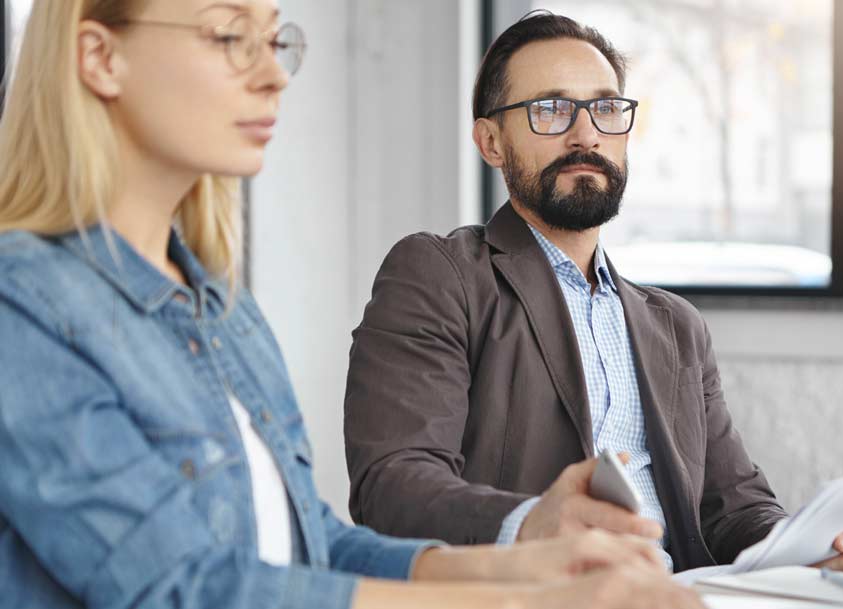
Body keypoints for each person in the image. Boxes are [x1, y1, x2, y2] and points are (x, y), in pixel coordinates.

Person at [0, 2, 706, 608]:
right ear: (100, 57)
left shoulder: (223, 310)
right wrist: (521, 595)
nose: (274, 73)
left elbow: (311, 541)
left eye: (275, 40)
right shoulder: (21, 305)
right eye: (228, 37)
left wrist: (522, 559)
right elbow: (185, 586)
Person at [344, 11, 843, 573]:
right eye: (549, 109)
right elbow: (392, 486)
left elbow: (733, 508)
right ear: (491, 142)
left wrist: (805, 546)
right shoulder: (440, 275)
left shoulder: (676, 325)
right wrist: (529, 525)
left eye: (605, 108)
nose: (586, 133)